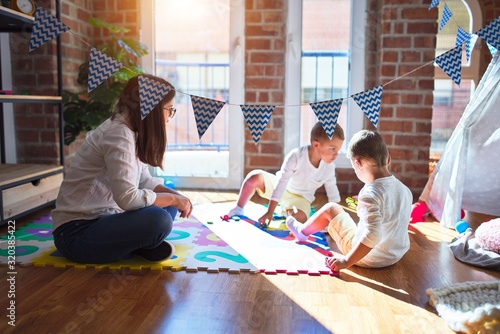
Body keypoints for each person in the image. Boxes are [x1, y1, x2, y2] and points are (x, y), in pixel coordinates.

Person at [51, 74, 193, 264]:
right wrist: (174, 199)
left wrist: (178, 198)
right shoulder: (118, 134)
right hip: (75, 234)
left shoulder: (132, 131)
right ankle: (137, 245)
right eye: (169, 110)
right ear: (152, 109)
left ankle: (133, 245)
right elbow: (128, 199)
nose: (169, 117)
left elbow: (144, 180)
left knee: (167, 206)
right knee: (159, 220)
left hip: (106, 219)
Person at [287, 130, 412, 271]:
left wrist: (346, 261)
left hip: (369, 257)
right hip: (394, 255)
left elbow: (373, 235)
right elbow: (394, 215)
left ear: (358, 163)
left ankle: (302, 232)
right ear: (388, 159)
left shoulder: (370, 194)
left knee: (331, 208)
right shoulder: (404, 189)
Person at [228, 122, 344, 226]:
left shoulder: (329, 167)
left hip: (301, 198)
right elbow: (281, 182)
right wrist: (270, 212)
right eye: (332, 149)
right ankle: (239, 208)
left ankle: (286, 210)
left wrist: (338, 219)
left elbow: (333, 194)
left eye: (338, 150)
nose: (336, 154)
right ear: (316, 145)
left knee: (299, 218)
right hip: (282, 187)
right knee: (254, 177)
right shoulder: (296, 156)